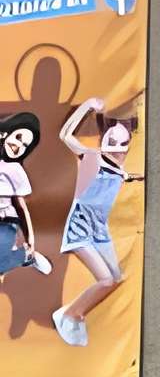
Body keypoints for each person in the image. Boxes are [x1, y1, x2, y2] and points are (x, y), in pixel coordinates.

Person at [51, 97, 141, 349]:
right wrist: (87, 106)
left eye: (124, 143)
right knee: (105, 280)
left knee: (115, 278)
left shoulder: (120, 169)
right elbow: (65, 135)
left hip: (99, 229)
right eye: (112, 142)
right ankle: (70, 314)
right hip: (80, 226)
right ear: (103, 141)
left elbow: (121, 175)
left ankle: (75, 313)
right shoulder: (93, 158)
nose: (118, 148)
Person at [0, 113, 54, 284]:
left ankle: (25, 255)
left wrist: (31, 241)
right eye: (18, 137)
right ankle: (20, 256)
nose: (19, 146)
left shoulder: (14, 170)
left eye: (24, 145)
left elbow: (21, 206)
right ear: (4, 133)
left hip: (6, 223)